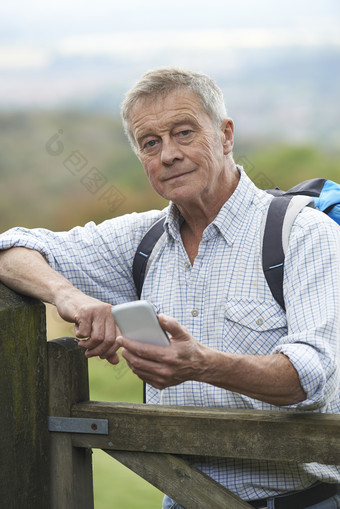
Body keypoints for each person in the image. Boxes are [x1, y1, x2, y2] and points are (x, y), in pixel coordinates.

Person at [0, 67, 340, 509]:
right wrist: (70, 297)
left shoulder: (303, 234)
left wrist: (200, 364)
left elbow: (312, 377)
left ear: (225, 135)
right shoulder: (141, 240)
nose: (168, 155)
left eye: (183, 133)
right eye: (150, 143)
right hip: (183, 499)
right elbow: (11, 247)